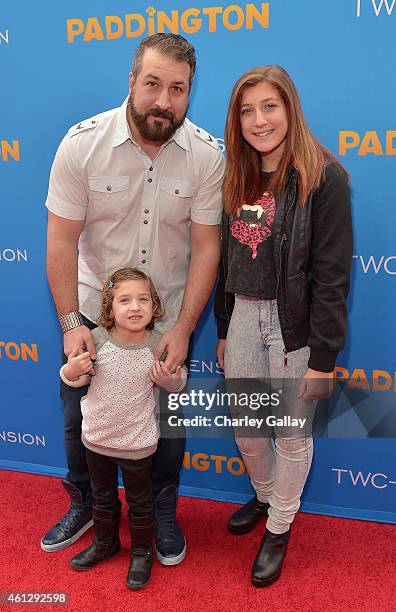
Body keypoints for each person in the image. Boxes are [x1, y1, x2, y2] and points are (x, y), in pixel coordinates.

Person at [43, 33, 224, 565]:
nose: (163, 101)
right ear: (131, 81)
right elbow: (60, 241)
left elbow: (207, 248)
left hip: (166, 320)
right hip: (92, 318)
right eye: (152, 84)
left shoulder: (207, 157)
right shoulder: (82, 143)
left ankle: (162, 510)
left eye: (178, 89)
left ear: (191, 93)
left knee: (167, 424)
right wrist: (71, 319)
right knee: (81, 416)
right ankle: (85, 504)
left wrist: (185, 326)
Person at [215, 65, 352, 587]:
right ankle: (269, 495)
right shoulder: (239, 174)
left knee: (292, 434)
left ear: (290, 108)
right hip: (246, 315)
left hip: (296, 326)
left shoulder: (325, 176)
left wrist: (324, 357)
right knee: (249, 430)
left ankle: (278, 527)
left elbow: (333, 276)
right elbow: (229, 263)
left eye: (269, 106)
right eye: (247, 111)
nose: (259, 120)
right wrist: (225, 329)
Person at [61, 268, 186, 588]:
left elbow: (177, 382)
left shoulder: (159, 345)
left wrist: (171, 381)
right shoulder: (96, 341)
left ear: (155, 306)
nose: (134, 307)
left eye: (143, 299)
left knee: (141, 501)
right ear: (109, 307)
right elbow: (76, 378)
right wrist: (71, 370)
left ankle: (142, 552)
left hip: (137, 443)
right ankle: (105, 543)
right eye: (125, 300)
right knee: (102, 498)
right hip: (97, 439)